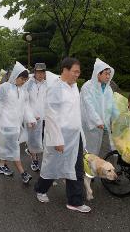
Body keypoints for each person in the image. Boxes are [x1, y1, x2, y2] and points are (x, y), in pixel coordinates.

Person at [34, 57, 91, 213]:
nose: (77, 75)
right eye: (75, 71)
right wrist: (57, 140)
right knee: (52, 165)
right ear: (65, 70)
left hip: (75, 136)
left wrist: (81, 135)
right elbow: (51, 116)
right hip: (59, 137)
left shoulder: (74, 88)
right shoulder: (56, 88)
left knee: (76, 168)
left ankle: (75, 201)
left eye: (79, 72)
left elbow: (76, 114)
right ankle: (40, 189)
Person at [0, 61, 37, 184]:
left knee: (7, 149)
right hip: (5, 125)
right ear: (15, 76)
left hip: (16, 126)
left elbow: (26, 107)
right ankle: (23, 173)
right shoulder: (5, 88)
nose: (23, 82)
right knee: (14, 149)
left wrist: (30, 119)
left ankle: (1, 166)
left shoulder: (23, 91)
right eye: (22, 79)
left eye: (25, 80)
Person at [80, 58, 119, 155]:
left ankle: (105, 169)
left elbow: (113, 106)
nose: (108, 76)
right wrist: (97, 121)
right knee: (90, 152)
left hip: (104, 126)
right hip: (91, 126)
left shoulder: (108, 89)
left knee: (107, 151)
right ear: (98, 73)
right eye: (106, 73)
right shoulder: (87, 87)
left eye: (109, 74)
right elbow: (89, 107)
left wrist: (119, 119)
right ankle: (89, 170)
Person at [24, 63, 47, 172]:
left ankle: (31, 150)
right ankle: (34, 160)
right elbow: (24, 101)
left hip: (43, 118)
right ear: (35, 72)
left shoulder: (47, 84)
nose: (40, 74)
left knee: (40, 140)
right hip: (31, 117)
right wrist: (30, 115)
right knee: (33, 139)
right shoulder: (28, 84)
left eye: (42, 72)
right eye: (38, 72)